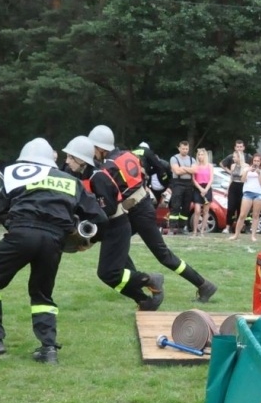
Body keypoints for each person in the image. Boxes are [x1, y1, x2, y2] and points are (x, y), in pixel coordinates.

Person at [0, 138, 107, 363]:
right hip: (54, 240)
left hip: (22, 234)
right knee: (42, 293)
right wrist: (85, 242)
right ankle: (48, 349)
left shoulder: (16, 174)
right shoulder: (70, 181)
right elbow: (99, 218)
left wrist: (17, 230)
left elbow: (3, 211)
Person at [88, 125, 217, 303]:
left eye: (93, 149)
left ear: (100, 148)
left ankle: (203, 284)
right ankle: (138, 282)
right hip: (140, 205)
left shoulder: (109, 166)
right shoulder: (128, 154)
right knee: (117, 246)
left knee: (163, 255)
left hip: (137, 210)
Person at [63, 135, 163, 311]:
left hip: (116, 227)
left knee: (108, 273)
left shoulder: (98, 177)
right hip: (108, 227)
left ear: (81, 160)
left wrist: (88, 237)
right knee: (115, 273)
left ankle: (150, 279)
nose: (67, 160)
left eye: (71, 157)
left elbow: (106, 211)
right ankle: (144, 301)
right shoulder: (82, 175)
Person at [230, 154, 261, 242]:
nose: (256, 162)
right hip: (247, 193)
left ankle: (253, 236)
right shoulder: (247, 169)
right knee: (242, 215)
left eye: (258, 161)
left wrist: (258, 174)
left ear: (260, 162)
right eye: (255, 161)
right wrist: (248, 171)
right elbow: (242, 180)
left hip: (259, 194)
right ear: (252, 161)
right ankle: (236, 235)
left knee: (255, 215)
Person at [220, 139, 247, 237]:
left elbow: (246, 178)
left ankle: (240, 227)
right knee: (231, 207)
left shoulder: (246, 165)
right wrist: (227, 189)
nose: (234, 158)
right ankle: (228, 226)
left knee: (241, 208)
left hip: (242, 187)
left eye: (235, 157)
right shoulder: (232, 166)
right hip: (233, 186)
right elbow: (231, 178)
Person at [167, 141, 196, 233]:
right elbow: (177, 171)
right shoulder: (174, 158)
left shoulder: (192, 159)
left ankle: (182, 227)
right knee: (176, 205)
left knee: (186, 206)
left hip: (188, 184)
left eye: (186, 149)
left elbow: (194, 170)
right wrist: (188, 169)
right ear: (179, 148)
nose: (185, 150)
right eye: (183, 148)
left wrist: (183, 168)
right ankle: (171, 228)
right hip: (177, 183)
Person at [192, 148, 213, 235]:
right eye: (199, 155)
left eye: (202, 155)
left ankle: (202, 231)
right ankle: (194, 231)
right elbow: (193, 179)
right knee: (197, 210)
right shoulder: (195, 166)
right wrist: (200, 189)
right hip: (198, 188)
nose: (200, 156)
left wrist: (206, 189)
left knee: (206, 211)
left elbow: (211, 179)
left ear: (205, 156)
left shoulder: (209, 166)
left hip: (207, 187)